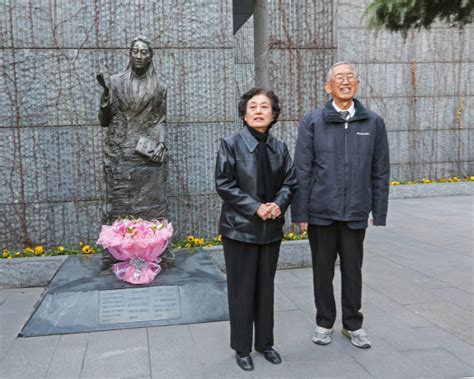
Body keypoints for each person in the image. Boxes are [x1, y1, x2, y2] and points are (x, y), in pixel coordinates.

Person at [291, 61, 390, 349]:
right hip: (320, 212)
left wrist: (378, 211)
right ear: (328, 87)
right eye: (338, 78)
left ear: (357, 84)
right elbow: (302, 170)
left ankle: (352, 324)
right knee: (322, 270)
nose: (345, 82)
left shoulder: (373, 122)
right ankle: (324, 322)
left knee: (353, 270)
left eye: (350, 77)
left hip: (355, 211)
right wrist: (300, 213)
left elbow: (380, 170)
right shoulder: (313, 121)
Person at [215, 88, 298, 371]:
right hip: (239, 230)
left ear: (274, 114)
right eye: (253, 106)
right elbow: (224, 183)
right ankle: (242, 347)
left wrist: (278, 204)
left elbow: (290, 182)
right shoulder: (231, 144)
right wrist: (255, 207)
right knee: (241, 290)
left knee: (265, 289)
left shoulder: (280, 147)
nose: (259, 111)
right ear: (244, 113)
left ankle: (265, 343)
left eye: (265, 106)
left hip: (270, 231)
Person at [97, 35, 167, 223]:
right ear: (129, 55)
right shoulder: (114, 82)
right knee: (119, 204)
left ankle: (153, 246)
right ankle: (118, 248)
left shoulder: (159, 87)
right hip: (119, 152)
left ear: (150, 57)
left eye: (143, 52)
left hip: (146, 151)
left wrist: (161, 144)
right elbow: (104, 121)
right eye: (135, 51)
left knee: (150, 206)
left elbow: (160, 119)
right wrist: (105, 97)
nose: (138, 56)